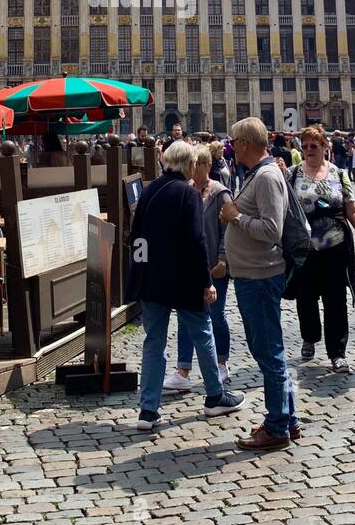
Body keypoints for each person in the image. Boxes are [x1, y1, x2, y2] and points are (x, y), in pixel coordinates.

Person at [125, 141, 244, 430]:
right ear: (188, 165)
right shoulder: (188, 193)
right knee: (202, 334)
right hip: (183, 280)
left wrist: (141, 273)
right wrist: (206, 281)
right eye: (193, 163)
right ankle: (215, 396)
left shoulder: (149, 189)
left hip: (152, 279)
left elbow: (136, 236)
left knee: (154, 342)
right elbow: (196, 240)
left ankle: (148, 410)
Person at [220, 117, 299, 450]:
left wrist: (235, 217)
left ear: (245, 144)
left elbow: (270, 230)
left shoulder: (266, 176)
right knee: (270, 349)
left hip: (260, 276)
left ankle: (277, 427)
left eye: (233, 140)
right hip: (252, 273)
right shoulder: (259, 173)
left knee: (269, 352)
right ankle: (287, 419)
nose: (230, 146)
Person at [293, 126, 355, 372]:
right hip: (304, 249)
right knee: (306, 297)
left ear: (325, 146)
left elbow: (352, 208)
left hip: (335, 247)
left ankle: (337, 352)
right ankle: (310, 336)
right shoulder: (293, 174)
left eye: (313, 146)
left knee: (336, 299)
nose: (308, 150)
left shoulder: (338, 173)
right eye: (304, 146)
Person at [164, 145, 234, 391]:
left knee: (215, 316)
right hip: (190, 268)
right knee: (185, 318)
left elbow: (229, 231)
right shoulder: (185, 192)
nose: (193, 170)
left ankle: (221, 363)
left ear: (206, 166)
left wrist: (224, 260)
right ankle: (183, 370)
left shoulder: (221, 194)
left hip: (215, 267)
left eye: (197, 165)